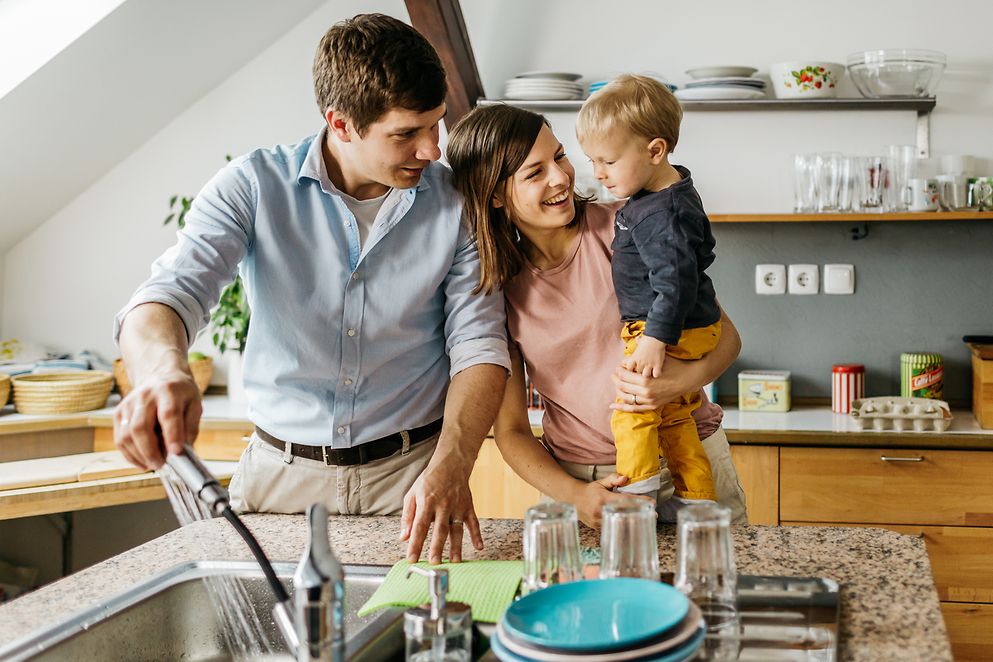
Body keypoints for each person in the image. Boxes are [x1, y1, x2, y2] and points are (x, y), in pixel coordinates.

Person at [112, 14, 511, 564]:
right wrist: (162, 372)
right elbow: (169, 294)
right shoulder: (253, 186)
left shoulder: (457, 203)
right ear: (341, 124)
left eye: (435, 125)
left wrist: (454, 463)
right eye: (406, 134)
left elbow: (480, 346)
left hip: (413, 480)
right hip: (278, 481)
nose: (432, 150)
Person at [447, 104, 747, 527]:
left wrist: (679, 382)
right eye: (534, 173)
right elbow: (512, 430)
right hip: (583, 486)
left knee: (712, 592)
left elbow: (727, 338)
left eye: (559, 156)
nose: (559, 177)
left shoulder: (628, 230)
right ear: (494, 195)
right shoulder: (495, 287)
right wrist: (577, 495)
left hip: (685, 464)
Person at [575, 74, 722, 502]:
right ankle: (695, 499)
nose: (599, 174)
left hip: (661, 330)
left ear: (655, 150)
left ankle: (636, 496)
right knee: (675, 420)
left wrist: (656, 339)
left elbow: (675, 282)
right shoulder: (665, 194)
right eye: (592, 162)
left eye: (608, 161)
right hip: (685, 326)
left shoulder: (661, 213)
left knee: (632, 413)